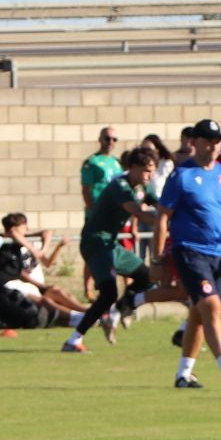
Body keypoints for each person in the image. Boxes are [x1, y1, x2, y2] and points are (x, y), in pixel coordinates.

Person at [157, 118, 221, 390]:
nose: (213, 146)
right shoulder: (182, 175)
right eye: (208, 141)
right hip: (190, 251)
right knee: (212, 306)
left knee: (199, 313)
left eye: (217, 141)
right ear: (194, 142)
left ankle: (184, 374)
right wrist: (157, 255)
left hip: (218, 254)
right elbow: (162, 216)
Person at [63, 147, 157, 352]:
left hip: (111, 245)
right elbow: (139, 213)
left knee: (147, 277)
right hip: (95, 242)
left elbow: (161, 204)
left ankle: (117, 312)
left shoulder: (143, 187)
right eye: (146, 171)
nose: (150, 175)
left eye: (152, 171)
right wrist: (167, 223)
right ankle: (74, 340)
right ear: (133, 167)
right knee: (108, 293)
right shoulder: (119, 186)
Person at [80, 126, 120, 213]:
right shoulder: (92, 162)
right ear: (100, 139)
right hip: (98, 210)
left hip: (115, 211)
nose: (110, 142)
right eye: (107, 139)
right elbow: (86, 190)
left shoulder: (117, 162)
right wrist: (93, 211)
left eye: (114, 139)